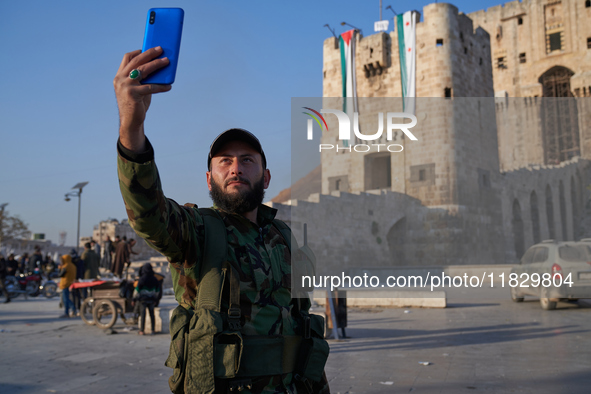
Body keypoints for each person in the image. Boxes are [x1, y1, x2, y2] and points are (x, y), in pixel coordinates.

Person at [114, 48, 329, 393]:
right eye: (224, 161)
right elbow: (148, 212)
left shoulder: (286, 238)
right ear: (209, 178)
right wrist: (131, 124)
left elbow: (302, 330)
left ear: (266, 176)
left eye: (247, 160)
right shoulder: (196, 231)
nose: (235, 168)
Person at [134, 263, 160, 335]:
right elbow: (157, 291)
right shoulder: (154, 279)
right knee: (152, 315)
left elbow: (137, 290)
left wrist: (134, 299)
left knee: (143, 315)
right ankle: (153, 330)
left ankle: (142, 331)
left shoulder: (142, 278)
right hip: (151, 300)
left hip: (143, 300)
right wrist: (155, 299)